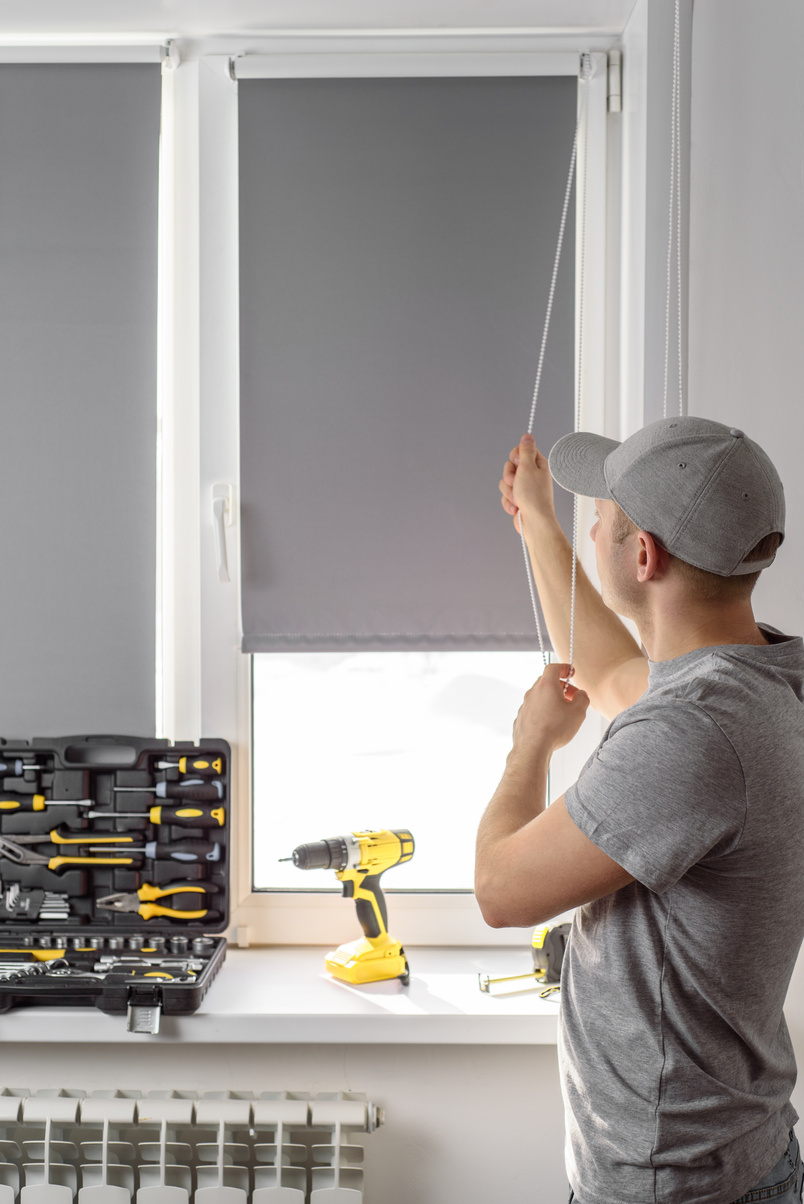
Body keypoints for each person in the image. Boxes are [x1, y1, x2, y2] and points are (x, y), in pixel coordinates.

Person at [475, 415, 804, 1204]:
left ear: (644, 555)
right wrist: (541, 527)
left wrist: (531, 745)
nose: (594, 527)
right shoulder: (763, 680)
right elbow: (617, 671)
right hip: (737, 1157)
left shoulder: (694, 734)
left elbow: (499, 891)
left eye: (604, 520)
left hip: (674, 1185)